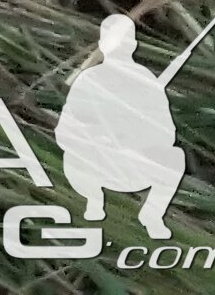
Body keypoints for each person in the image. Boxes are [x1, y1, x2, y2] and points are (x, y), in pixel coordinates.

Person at [55, 15, 189, 238]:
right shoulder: (89, 80)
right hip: (93, 165)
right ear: (102, 45)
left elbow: (168, 133)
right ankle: (94, 202)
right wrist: (95, 140)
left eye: (124, 42)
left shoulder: (146, 80)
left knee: (175, 158)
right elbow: (64, 132)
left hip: (133, 164)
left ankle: (152, 215)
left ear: (134, 45)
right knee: (73, 159)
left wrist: (137, 137)